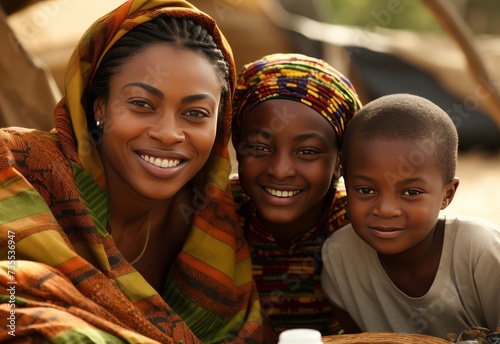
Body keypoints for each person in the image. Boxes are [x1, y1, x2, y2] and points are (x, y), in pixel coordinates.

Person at [0, 1, 268, 343]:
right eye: (142, 104)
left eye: (196, 113)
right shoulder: (17, 168)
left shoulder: (212, 227)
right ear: (99, 105)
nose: (169, 133)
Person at [321, 93, 500, 339]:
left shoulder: (482, 252)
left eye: (411, 192)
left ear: (447, 194)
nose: (385, 209)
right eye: (365, 190)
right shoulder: (339, 259)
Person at [230, 53, 362, 336]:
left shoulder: (357, 225)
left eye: (307, 152)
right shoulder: (217, 213)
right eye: (259, 148)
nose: (280, 170)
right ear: (237, 145)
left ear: (341, 161)